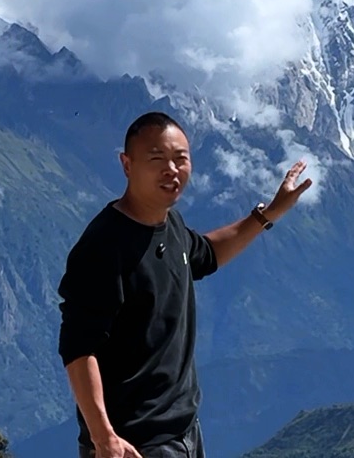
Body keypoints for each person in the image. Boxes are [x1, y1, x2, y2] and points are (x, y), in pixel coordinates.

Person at [57, 110, 313, 458]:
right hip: (132, 444)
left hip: (183, 435)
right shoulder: (104, 246)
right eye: (156, 159)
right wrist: (104, 438)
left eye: (180, 159)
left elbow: (206, 253)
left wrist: (268, 214)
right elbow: (78, 348)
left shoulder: (170, 224)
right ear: (126, 164)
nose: (171, 170)